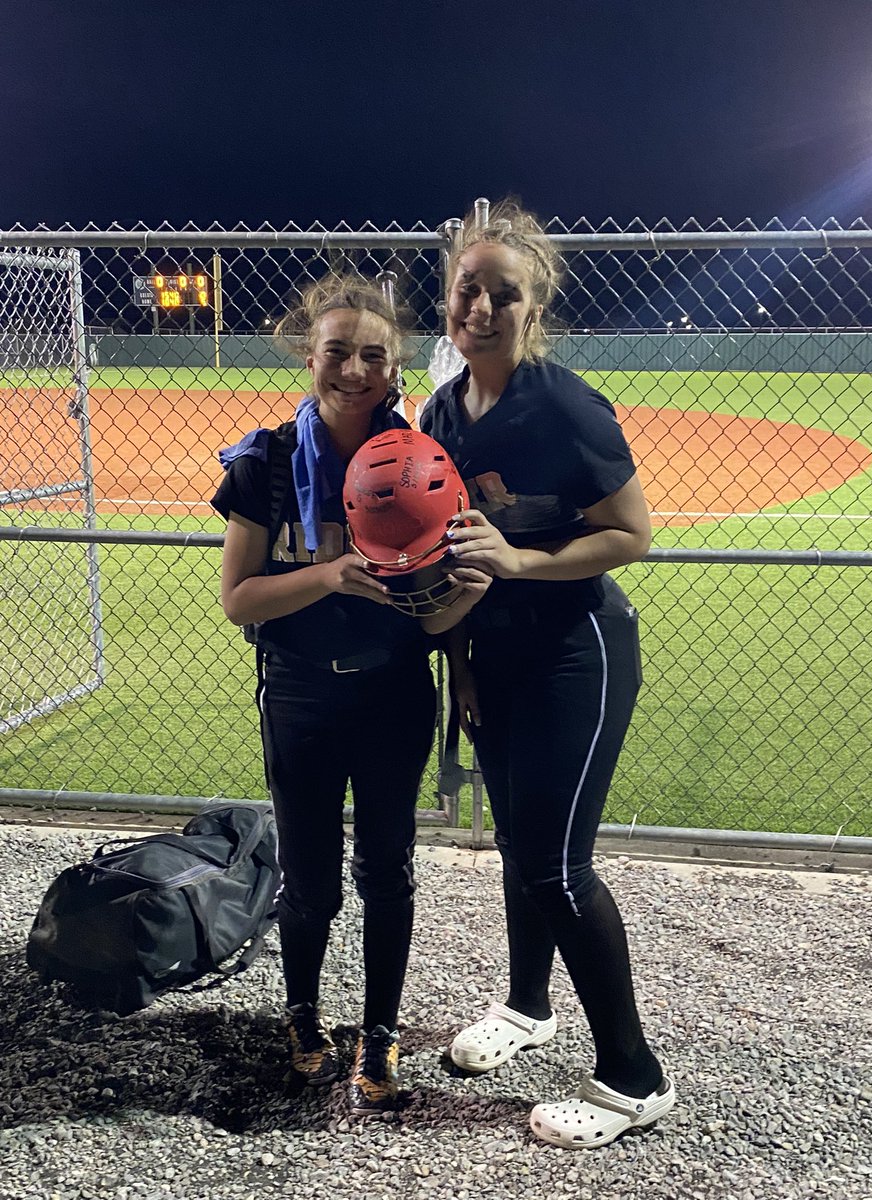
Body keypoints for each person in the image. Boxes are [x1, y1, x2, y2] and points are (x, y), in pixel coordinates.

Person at [418, 200, 675, 1149]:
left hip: (579, 650)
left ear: (536, 308)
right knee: (521, 848)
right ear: (448, 300)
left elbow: (631, 535)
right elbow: (447, 552)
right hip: (499, 658)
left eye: (504, 294)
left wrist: (520, 562)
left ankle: (634, 1079)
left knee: (558, 867)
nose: (481, 307)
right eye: (467, 290)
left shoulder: (567, 405)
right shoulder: (444, 410)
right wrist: (461, 663)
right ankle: (529, 1008)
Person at [211, 276, 482, 1117]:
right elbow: (238, 600)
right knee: (311, 882)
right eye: (337, 352)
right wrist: (331, 576)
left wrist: (462, 628)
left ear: (397, 365)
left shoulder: (428, 461)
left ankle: (380, 1029)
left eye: (374, 355)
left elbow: (443, 607)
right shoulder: (264, 461)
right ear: (309, 356)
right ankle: (301, 1017)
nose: (355, 369)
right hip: (298, 694)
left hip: (396, 696)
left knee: (388, 872)